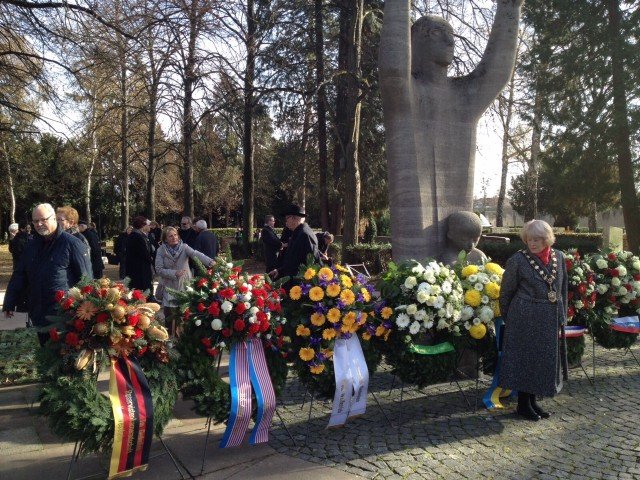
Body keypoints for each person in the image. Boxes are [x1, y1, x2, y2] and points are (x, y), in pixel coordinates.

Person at [379, 0, 522, 261]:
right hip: (414, 260)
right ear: (414, 42)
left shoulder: (465, 96)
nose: (449, 41)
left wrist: (510, 7)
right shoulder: (406, 95)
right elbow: (393, 67)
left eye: (452, 35)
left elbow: (497, 70)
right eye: (437, 33)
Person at [499, 219, 569, 421]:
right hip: (524, 316)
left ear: (547, 239)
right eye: (530, 239)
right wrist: (510, 318)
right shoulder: (517, 260)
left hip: (549, 316)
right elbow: (506, 293)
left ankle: (532, 401)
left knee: (541, 360)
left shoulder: (559, 257)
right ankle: (522, 404)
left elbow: (562, 289)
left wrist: (562, 316)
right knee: (525, 359)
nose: (533, 243)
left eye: (538, 239)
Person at [3, 203, 92, 344]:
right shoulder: (31, 246)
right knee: (45, 355)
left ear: (54, 218)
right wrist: (9, 302)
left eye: (43, 219)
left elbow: (86, 280)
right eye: (35, 221)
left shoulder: (72, 244)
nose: (39, 224)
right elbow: (20, 275)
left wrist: (86, 313)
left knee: (63, 358)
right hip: (39, 312)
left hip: (64, 315)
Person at [155, 226, 215, 336]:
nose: (174, 238)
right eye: (170, 236)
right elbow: (159, 269)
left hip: (184, 286)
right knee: (169, 316)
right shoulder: (161, 250)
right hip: (169, 287)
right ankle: (168, 341)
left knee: (184, 315)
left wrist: (210, 262)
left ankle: (182, 340)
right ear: (165, 239)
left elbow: (196, 254)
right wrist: (174, 273)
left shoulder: (184, 247)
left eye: (175, 235)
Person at [269, 205, 319, 281]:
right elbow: (293, 260)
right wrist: (279, 271)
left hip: (300, 283)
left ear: (294, 218)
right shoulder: (297, 233)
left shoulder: (305, 234)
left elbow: (312, 261)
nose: (285, 221)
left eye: (287, 218)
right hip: (292, 279)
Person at [125, 216, 154, 295]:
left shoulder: (139, 235)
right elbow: (144, 253)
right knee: (141, 292)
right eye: (148, 224)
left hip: (140, 270)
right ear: (142, 226)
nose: (149, 226)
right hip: (139, 271)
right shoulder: (137, 237)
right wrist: (151, 259)